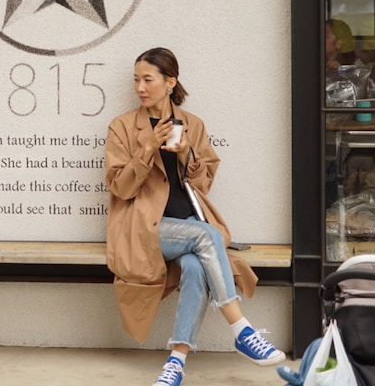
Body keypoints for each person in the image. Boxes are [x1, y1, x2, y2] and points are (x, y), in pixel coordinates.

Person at [105, 47, 285, 386]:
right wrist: (148, 148)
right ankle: (241, 329)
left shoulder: (192, 125)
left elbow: (202, 185)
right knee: (207, 235)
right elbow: (120, 187)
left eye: (148, 80)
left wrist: (186, 152)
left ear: (170, 82)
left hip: (186, 223)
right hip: (142, 228)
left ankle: (176, 361)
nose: (140, 87)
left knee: (194, 266)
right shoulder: (122, 127)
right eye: (136, 80)